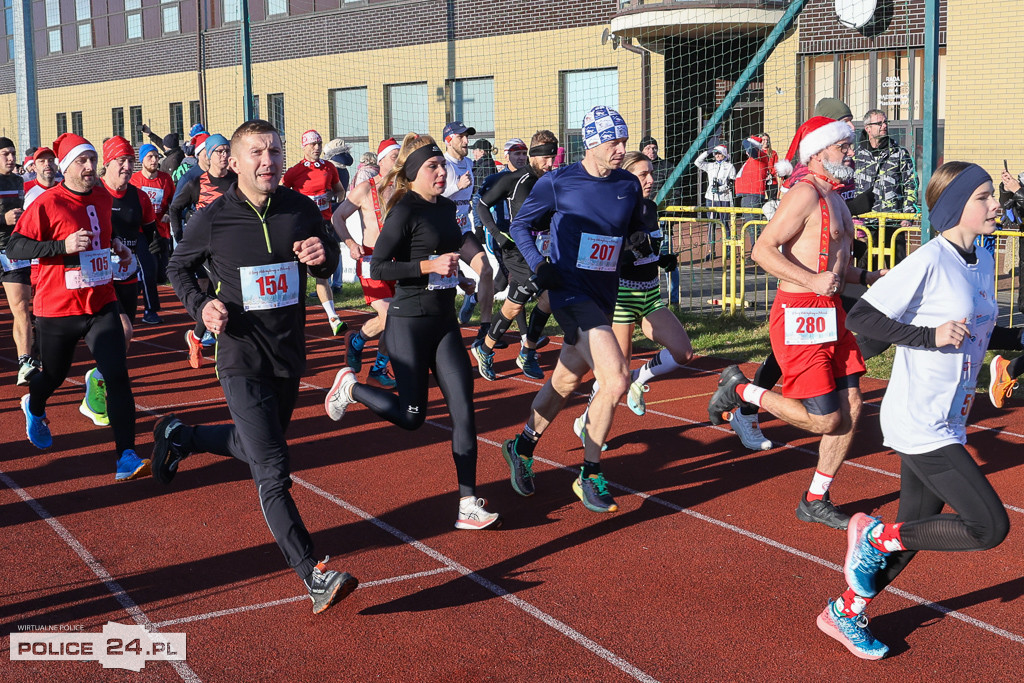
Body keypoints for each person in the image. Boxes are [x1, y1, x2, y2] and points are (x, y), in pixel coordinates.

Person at [157, 118, 357, 614]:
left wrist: (321, 256)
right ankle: (312, 573)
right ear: (238, 160)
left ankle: (180, 436)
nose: (267, 162)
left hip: (287, 354)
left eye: (274, 152)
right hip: (240, 355)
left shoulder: (301, 207)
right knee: (272, 468)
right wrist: (201, 305)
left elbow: (327, 260)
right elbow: (177, 268)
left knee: (252, 445)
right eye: (257, 153)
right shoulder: (216, 216)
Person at [818, 161, 1012, 660]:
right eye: (984, 197)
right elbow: (861, 315)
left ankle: (844, 610)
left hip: (950, 416)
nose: (995, 205)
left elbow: (981, 330)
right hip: (919, 420)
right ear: (955, 208)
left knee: (916, 531)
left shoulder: (982, 256)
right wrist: (928, 335)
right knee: (988, 527)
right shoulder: (929, 260)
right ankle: (874, 533)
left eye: (994, 196)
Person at [323, 133, 500, 531]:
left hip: (443, 324)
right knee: (412, 416)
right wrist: (428, 268)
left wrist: (473, 272)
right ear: (414, 173)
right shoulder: (404, 211)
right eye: (433, 167)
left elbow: (460, 243)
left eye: (442, 165)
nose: (441, 172)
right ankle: (350, 387)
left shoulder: (444, 210)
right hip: (407, 322)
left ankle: (468, 503)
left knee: (465, 412)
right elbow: (380, 267)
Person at [708, 116, 869, 530]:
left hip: (832, 312)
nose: (850, 152)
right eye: (843, 146)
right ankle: (740, 389)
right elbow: (762, 249)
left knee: (852, 407)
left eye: (849, 146)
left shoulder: (834, 195)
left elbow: (834, 266)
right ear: (818, 152)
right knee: (826, 420)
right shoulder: (804, 193)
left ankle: (816, 498)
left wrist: (868, 278)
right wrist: (811, 280)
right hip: (800, 314)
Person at [499, 106, 645, 514]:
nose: (621, 149)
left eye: (623, 141)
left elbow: (627, 233)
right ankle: (590, 473)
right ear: (591, 143)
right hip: (569, 293)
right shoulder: (557, 182)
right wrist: (539, 263)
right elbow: (519, 226)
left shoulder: (628, 184)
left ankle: (521, 445)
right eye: (613, 142)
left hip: (605, 295)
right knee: (615, 379)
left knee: (564, 381)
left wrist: (640, 244)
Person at [7, 133, 149, 481]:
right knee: (53, 375)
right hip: (58, 308)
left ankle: (126, 456)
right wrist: (62, 245)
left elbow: (100, 232)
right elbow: (16, 248)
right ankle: (34, 405)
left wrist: (116, 245)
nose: (90, 167)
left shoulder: (102, 195)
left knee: (117, 374)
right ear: (66, 167)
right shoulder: (46, 203)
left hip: (101, 302)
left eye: (92, 160)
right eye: (81, 162)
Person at [574, 150, 691, 436]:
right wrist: (627, 252)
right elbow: (595, 256)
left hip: (650, 295)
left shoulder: (650, 208)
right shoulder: (612, 209)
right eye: (643, 174)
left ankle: (641, 380)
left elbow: (647, 249)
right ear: (626, 177)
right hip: (622, 297)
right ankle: (586, 421)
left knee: (683, 352)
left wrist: (660, 258)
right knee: (616, 374)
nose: (650, 179)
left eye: (651, 173)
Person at [77, 136, 160, 428]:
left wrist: (130, 253)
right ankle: (100, 383)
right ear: (107, 164)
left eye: (129, 161)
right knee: (121, 330)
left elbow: (147, 233)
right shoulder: (95, 193)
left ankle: (96, 380)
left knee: (124, 339)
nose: (126, 167)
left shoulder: (139, 197)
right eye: (120, 161)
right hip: (100, 276)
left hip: (127, 273)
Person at [471, 130, 560, 381]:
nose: (550, 163)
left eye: (553, 157)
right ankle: (528, 353)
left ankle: (485, 348)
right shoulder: (514, 179)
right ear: (533, 155)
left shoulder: (552, 180)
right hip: (515, 249)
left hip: (541, 249)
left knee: (513, 305)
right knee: (550, 294)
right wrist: (495, 233)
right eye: (545, 158)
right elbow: (482, 204)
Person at [330, 137, 401, 389]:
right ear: (381, 161)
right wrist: (350, 243)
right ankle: (378, 368)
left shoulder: (405, 189)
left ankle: (358, 342)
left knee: (394, 318)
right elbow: (338, 217)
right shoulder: (365, 189)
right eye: (395, 156)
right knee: (392, 316)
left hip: (398, 263)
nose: (399, 161)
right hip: (371, 261)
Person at [169, 133, 237, 368]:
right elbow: (175, 208)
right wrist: (180, 238)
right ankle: (223, 352)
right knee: (220, 294)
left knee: (219, 296)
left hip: (232, 247)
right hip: (206, 249)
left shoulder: (237, 181)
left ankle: (196, 338)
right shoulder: (196, 182)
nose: (224, 155)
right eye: (219, 151)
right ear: (208, 154)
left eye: (227, 150)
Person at [283, 129, 348, 336]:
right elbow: (280, 193)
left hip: (324, 225)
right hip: (302, 227)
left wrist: (334, 197)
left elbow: (339, 191)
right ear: (304, 146)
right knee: (298, 273)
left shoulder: (329, 167)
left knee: (324, 272)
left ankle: (333, 317)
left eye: (319, 143)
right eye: (312, 144)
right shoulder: (294, 171)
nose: (317, 148)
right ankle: (294, 317)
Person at [442, 121, 495, 343]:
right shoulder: (441, 165)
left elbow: (470, 200)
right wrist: (456, 188)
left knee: (486, 270)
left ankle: (485, 327)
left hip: (463, 231)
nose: (466, 141)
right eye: (461, 137)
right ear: (448, 140)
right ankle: (466, 296)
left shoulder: (469, 164)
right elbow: (430, 198)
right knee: (444, 286)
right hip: (441, 235)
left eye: (467, 136)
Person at [853, 109, 919, 266]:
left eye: (885, 122)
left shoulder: (899, 153)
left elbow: (910, 183)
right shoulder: (856, 156)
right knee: (867, 268)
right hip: (866, 223)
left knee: (897, 268)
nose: (884, 126)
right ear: (868, 128)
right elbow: (849, 186)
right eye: (879, 123)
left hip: (893, 221)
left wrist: (908, 214)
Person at [0, 136, 37, 386]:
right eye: (6, 154)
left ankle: (25, 362)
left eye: (13, 153)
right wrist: (3, 219)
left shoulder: (18, 180)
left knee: (21, 306)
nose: (12, 159)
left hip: (11, 249)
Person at [131, 142, 176, 284]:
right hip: (142, 232)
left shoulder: (165, 179)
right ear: (142, 159)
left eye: (156, 157)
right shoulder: (134, 180)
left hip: (161, 231)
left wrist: (169, 212)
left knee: (161, 277)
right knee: (146, 273)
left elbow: (174, 201)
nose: (154, 160)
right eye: (150, 157)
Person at [694, 145, 736, 260]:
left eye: (719, 153)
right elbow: (697, 162)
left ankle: (728, 249)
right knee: (711, 223)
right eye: (715, 153)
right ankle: (711, 250)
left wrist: (721, 188)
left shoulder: (729, 166)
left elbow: (732, 182)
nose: (717, 155)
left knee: (724, 223)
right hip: (711, 198)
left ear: (724, 154)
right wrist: (707, 151)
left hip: (724, 198)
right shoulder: (710, 166)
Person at [735, 135, 778, 210]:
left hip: (754, 193)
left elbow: (751, 149)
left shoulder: (761, 155)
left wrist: (746, 140)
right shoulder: (751, 160)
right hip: (746, 194)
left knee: (753, 219)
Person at [639, 135, 672, 200]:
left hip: (661, 207)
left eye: (654, 148)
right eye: (648, 148)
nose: (652, 151)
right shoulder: (636, 165)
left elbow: (674, 190)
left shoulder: (667, 166)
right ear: (642, 151)